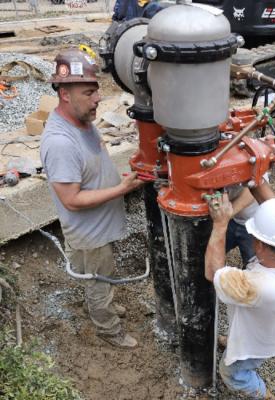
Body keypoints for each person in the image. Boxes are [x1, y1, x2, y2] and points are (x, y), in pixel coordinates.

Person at [40, 49, 144, 348]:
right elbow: (71, 200)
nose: (98, 98)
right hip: (89, 232)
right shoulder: (60, 142)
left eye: (96, 90)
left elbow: (93, 166)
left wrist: (119, 179)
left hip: (100, 225)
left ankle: (106, 302)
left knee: (104, 273)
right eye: (89, 92)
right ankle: (108, 329)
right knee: (98, 280)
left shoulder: (83, 120)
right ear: (64, 94)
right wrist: (122, 190)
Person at [205, 193, 275, 399]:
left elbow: (212, 273)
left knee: (233, 372)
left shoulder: (261, 286)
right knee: (245, 329)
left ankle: (262, 395)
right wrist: (256, 176)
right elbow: (271, 202)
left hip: (257, 342)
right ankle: (232, 342)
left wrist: (220, 224)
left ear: (260, 245)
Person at [227, 174, 275, 265]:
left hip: (253, 227)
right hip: (232, 221)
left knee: (252, 262)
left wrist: (225, 216)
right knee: (216, 250)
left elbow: (251, 191)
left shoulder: (254, 164)